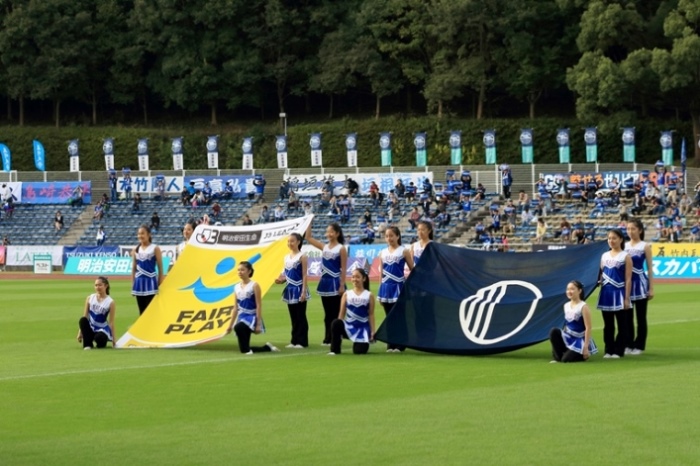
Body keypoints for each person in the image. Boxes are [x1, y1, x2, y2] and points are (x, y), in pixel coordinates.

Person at [306, 223, 347, 346]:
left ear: (337, 234)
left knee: (335, 313)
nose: (328, 234)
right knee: (327, 314)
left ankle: (335, 338)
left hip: (335, 282)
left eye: (331, 232)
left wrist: (342, 285)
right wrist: (309, 222)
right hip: (325, 282)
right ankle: (327, 338)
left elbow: (344, 268)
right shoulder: (324, 247)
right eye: (327, 232)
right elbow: (308, 238)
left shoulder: (341, 248)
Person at [229, 261, 280, 354]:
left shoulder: (254, 285)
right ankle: (267, 348)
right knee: (244, 349)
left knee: (239, 327)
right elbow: (235, 307)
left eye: (242, 270)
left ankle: (261, 348)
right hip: (242, 316)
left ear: (249, 271)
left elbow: (258, 305)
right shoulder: (236, 287)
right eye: (238, 270)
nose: (240, 272)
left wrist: (258, 324)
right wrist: (230, 325)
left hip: (251, 316)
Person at [377, 226, 414, 352]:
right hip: (386, 288)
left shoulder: (403, 251)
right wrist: (380, 291)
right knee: (389, 317)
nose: (389, 238)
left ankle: (401, 343)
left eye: (392, 235)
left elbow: (412, 269)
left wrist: (409, 286)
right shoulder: (382, 252)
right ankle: (390, 343)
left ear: (398, 236)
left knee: (400, 317)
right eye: (387, 236)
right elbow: (381, 273)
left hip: (398, 287)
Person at [597, 229, 632, 358]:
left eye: (614, 238)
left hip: (620, 293)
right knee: (608, 325)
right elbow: (602, 273)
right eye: (609, 238)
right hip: (606, 293)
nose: (611, 241)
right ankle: (608, 350)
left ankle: (619, 350)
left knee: (622, 324)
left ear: (621, 239)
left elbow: (628, 278)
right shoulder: (604, 256)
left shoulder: (625, 256)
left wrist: (627, 298)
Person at [328, 268, 375, 355]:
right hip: (349, 327)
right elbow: (341, 314)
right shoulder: (347, 294)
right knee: (336, 323)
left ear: (364, 278)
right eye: (353, 277)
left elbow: (371, 314)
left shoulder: (369, 295)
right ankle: (334, 350)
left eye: (358, 277)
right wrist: (339, 329)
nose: (355, 279)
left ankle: (362, 342)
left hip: (362, 329)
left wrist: (372, 332)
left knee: (359, 351)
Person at [625, 219, 654, 356]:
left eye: (633, 229)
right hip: (627, 285)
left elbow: (650, 268)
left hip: (641, 284)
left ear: (640, 230)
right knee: (627, 317)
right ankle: (628, 343)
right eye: (628, 229)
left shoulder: (644, 246)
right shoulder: (624, 246)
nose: (630, 232)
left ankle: (640, 345)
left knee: (641, 317)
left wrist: (651, 288)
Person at [275, 233, 309, 348]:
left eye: (292, 241)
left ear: (298, 242)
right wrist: (281, 280)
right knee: (293, 316)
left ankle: (302, 341)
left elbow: (304, 275)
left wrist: (303, 291)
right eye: (288, 241)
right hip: (290, 289)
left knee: (300, 315)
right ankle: (294, 340)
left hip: (299, 288)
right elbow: (287, 274)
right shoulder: (286, 257)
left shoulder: (302, 256)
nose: (290, 243)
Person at [549, 280, 597, 363]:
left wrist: (586, 347)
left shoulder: (583, 306)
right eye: (568, 289)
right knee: (554, 331)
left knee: (565, 360)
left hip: (579, 339)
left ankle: (581, 354)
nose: (569, 291)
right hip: (569, 337)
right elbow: (567, 324)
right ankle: (557, 357)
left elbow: (588, 327)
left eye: (572, 289)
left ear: (579, 291)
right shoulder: (566, 305)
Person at [131, 224, 164, 315]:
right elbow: (133, 268)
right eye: (139, 234)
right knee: (141, 312)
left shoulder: (155, 248)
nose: (140, 236)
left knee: (151, 312)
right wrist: (133, 283)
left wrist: (160, 282)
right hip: (139, 283)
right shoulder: (136, 249)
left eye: (142, 233)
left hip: (151, 282)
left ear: (149, 235)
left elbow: (160, 268)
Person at [77, 276, 116, 350]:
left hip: (102, 329)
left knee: (100, 338)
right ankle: (88, 345)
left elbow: (111, 322)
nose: (97, 287)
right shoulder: (90, 298)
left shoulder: (110, 302)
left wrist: (114, 340)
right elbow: (85, 316)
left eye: (100, 285)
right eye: (96, 285)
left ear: (106, 286)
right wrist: (80, 333)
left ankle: (101, 341)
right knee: (82, 320)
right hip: (91, 327)